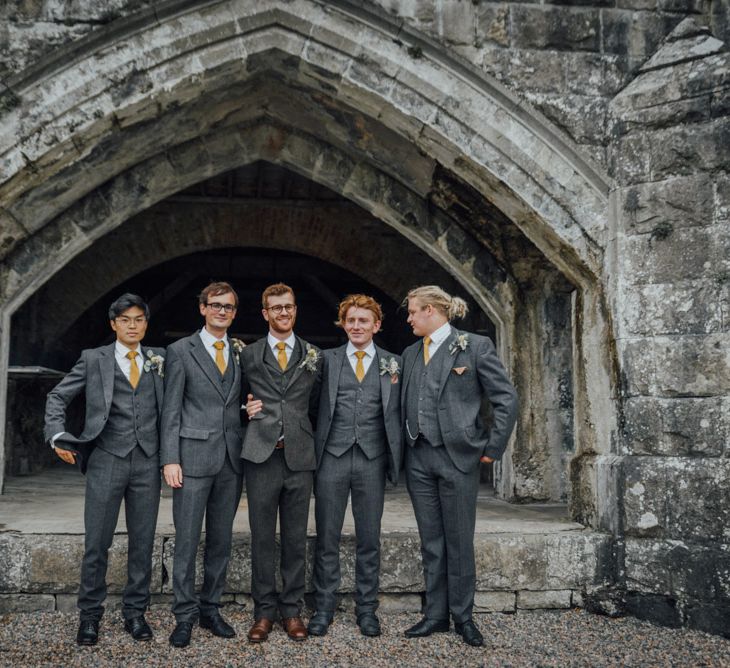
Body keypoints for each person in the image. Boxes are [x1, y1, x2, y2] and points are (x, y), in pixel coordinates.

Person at [43, 293, 164, 646]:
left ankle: (135, 614)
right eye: (125, 320)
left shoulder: (160, 358)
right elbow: (57, 397)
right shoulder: (93, 359)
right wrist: (57, 435)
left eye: (138, 319)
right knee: (97, 543)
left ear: (145, 323)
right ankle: (90, 617)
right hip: (106, 458)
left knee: (142, 544)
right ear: (113, 324)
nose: (132, 325)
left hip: (147, 461)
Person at [400, 285, 518, 647]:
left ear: (433, 310)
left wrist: (492, 450)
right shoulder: (408, 354)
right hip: (418, 458)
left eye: (413, 311)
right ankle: (435, 615)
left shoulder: (474, 346)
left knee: (459, 540)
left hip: (459, 456)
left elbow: (506, 399)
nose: (408, 318)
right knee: (431, 540)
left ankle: (464, 616)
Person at [307, 294, 402, 638]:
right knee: (327, 537)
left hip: (372, 460)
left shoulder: (394, 363)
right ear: (343, 324)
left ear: (376, 325)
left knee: (369, 539)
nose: (357, 326)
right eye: (351, 320)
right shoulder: (326, 361)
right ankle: (324, 608)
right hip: (331, 458)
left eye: (364, 321)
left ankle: (367, 610)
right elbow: (310, 405)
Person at [161, 282, 245, 648]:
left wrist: (248, 411)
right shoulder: (180, 351)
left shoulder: (240, 352)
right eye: (215, 305)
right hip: (192, 458)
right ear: (202, 308)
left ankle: (211, 609)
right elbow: (171, 410)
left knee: (221, 541)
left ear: (234, 312)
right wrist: (170, 458)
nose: (221, 311)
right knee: (187, 541)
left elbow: (235, 402)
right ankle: (184, 616)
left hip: (231, 458)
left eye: (228, 307)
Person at [241, 283, 321, 642]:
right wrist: (246, 409)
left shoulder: (313, 355)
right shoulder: (249, 354)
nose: (283, 313)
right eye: (276, 308)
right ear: (265, 314)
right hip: (261, 455)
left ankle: (292, 611)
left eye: (288, 307)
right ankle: (263, 612)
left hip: (300, 456)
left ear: (295, 310)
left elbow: (319, 404)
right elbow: (232, 400)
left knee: (294, 538)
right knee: (261, 537)